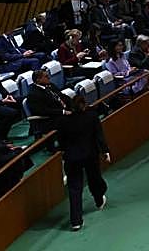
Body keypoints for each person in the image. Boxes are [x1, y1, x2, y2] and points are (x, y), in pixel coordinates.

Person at [56, 93, 110, 232]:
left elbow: (61, 141)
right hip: (90, 155)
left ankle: (76, 221)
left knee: (74, 188)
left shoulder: (62, 121)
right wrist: (105, 151)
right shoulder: (91, 116)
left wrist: (64, 153)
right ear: (84, 104)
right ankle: (99, 200)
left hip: (72, 157)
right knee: (94, 178)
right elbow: (99, 135)